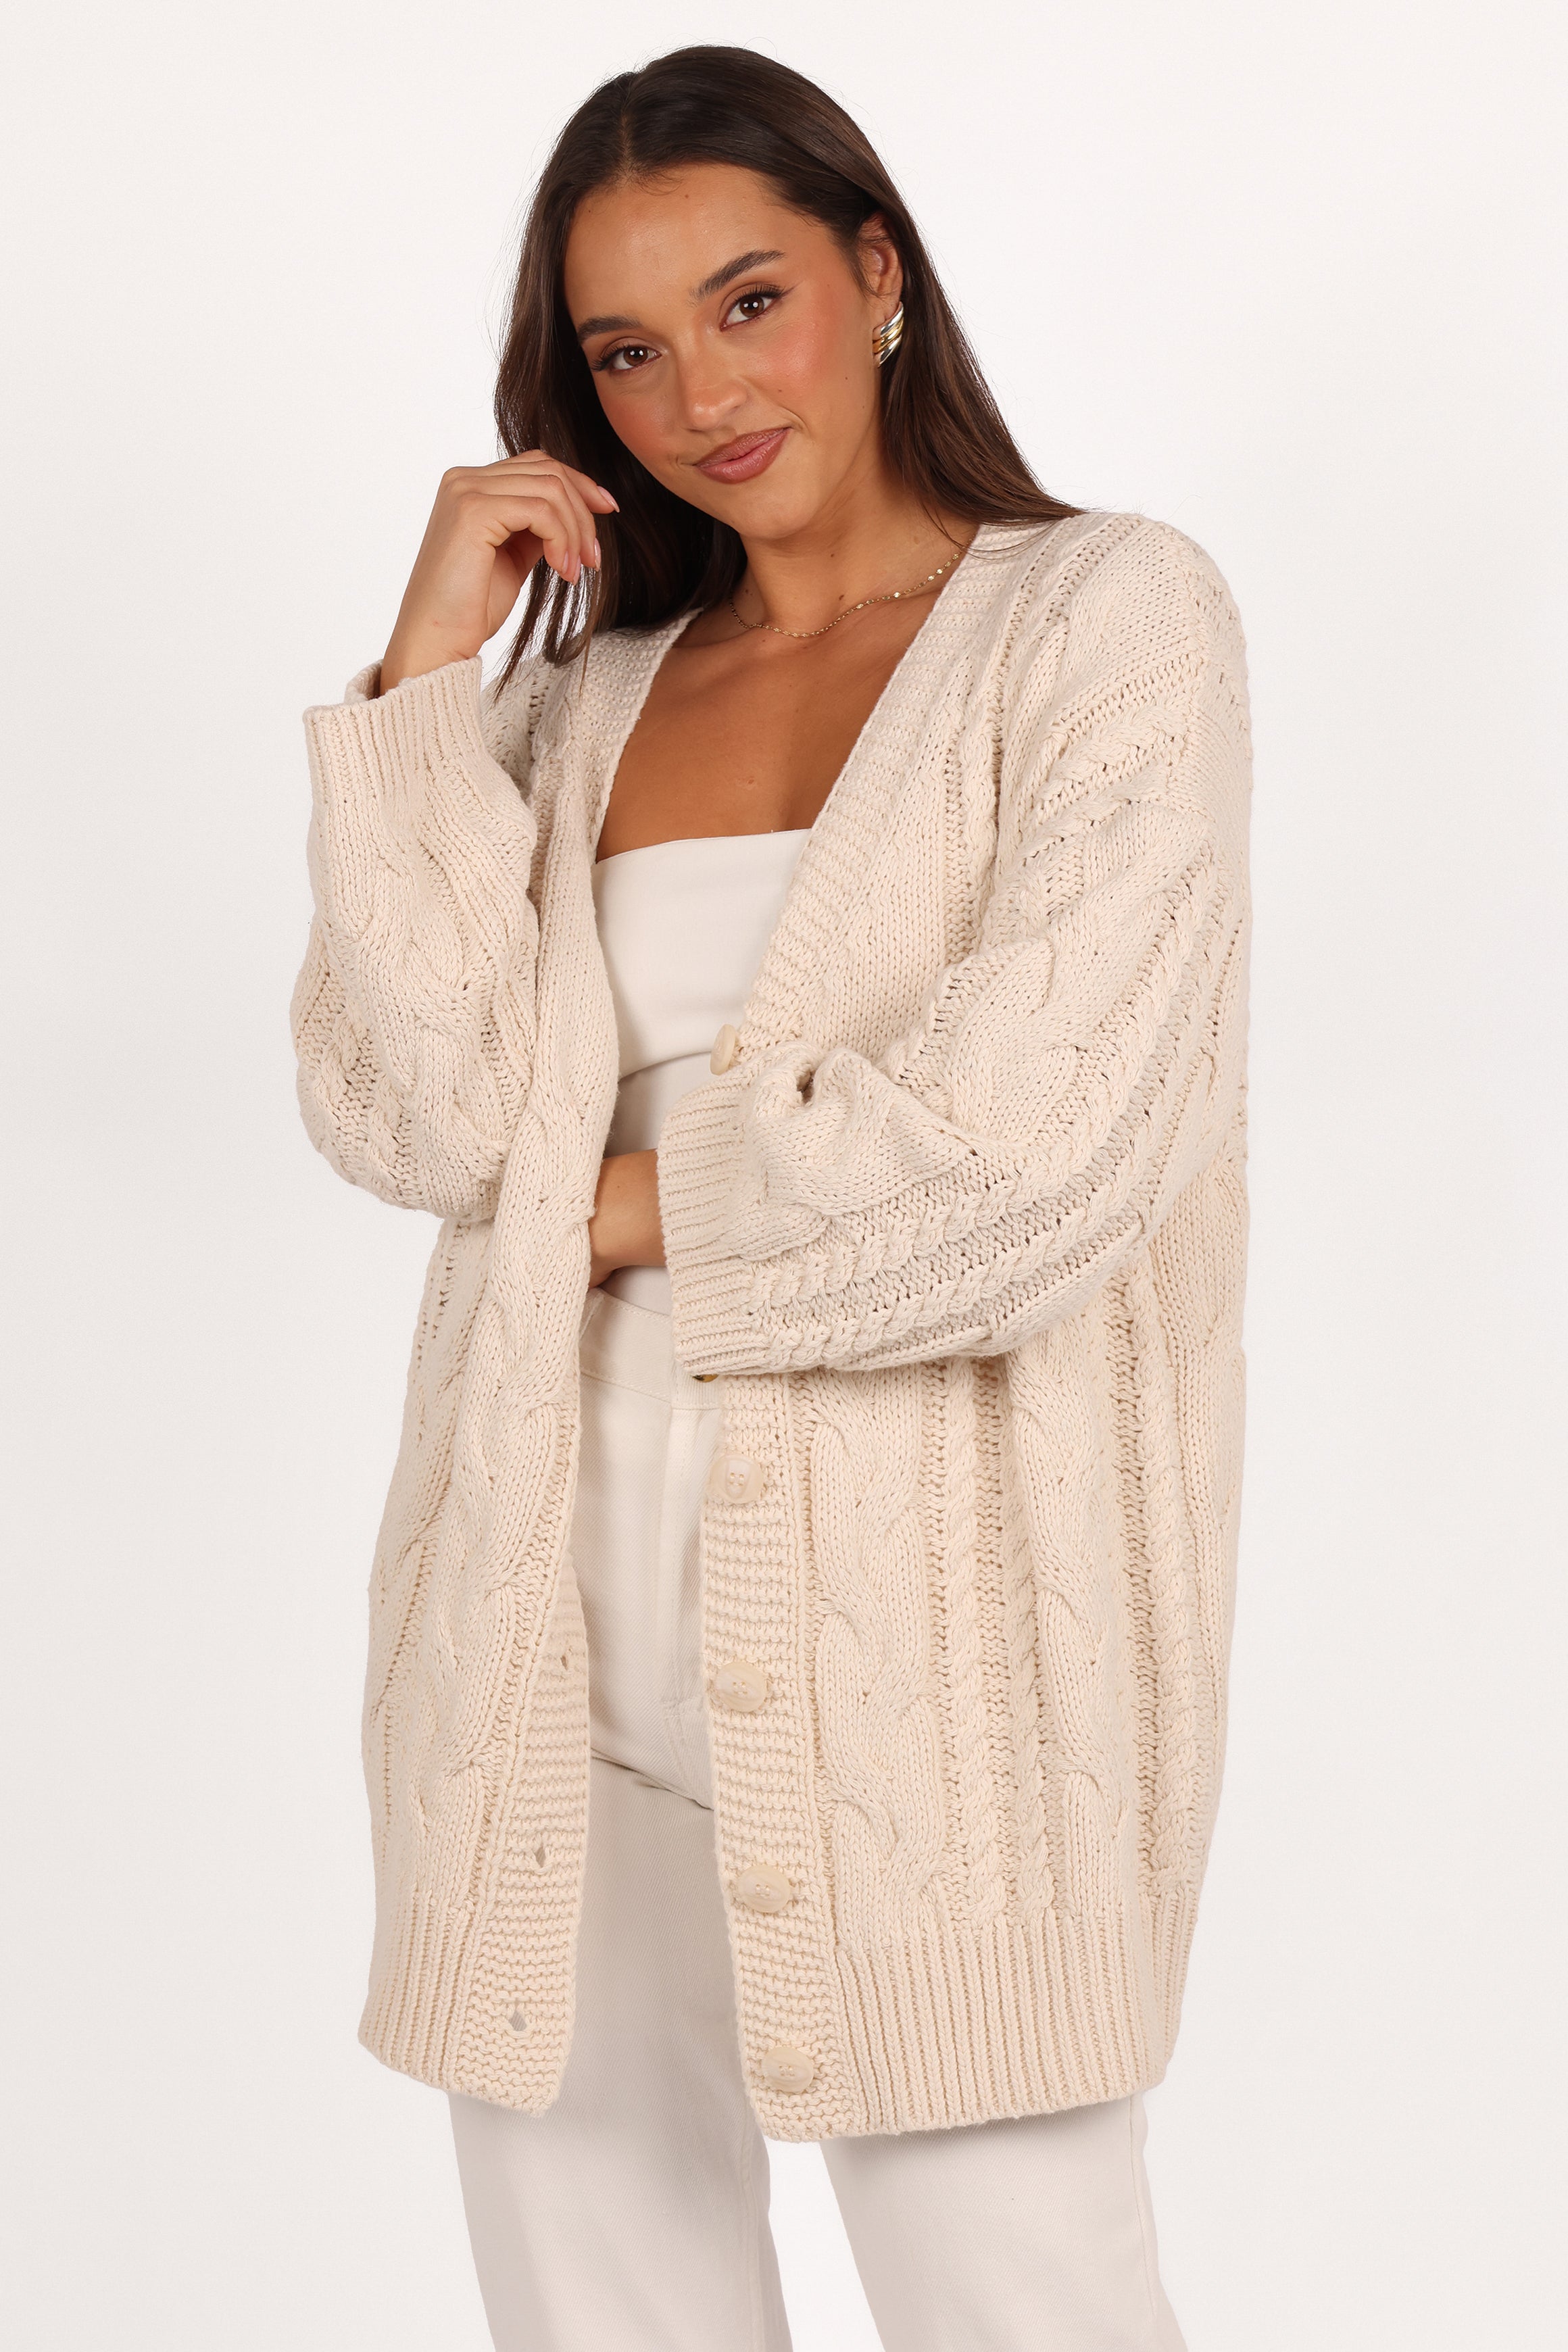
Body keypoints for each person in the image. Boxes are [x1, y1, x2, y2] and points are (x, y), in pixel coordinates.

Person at [292, 43, 1251, 2352]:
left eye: (749, 302)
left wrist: (599, 1216)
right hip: (537, 1667)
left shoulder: (1106, 621)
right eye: (626, 350)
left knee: (1030, 2308)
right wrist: (422, 683)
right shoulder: (576, 707)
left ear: (879, 273)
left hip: (949, 1698)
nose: (701, 397)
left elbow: (1028, 1155)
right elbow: (402, 1114)